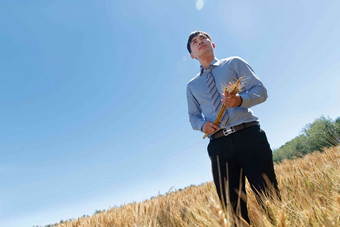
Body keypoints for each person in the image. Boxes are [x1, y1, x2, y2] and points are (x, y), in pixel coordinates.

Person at [186, 31, 280, 224]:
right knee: (232, 207)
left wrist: (239, 100)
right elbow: (193, 117)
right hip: (219, 146)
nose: (200, 42)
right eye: (194, 42)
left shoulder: (234, 63)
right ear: (192, 55)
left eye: (204, 38)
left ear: (212, 45)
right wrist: (202, 125)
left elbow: (261, 91)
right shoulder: (192, 86)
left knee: (268, 194)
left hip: (248, 135)